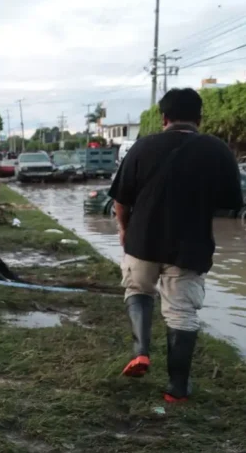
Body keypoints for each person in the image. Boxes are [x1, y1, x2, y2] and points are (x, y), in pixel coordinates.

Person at [109, 87, 243, 403]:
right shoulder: (218, 150)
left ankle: (141, 351)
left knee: (138, 289)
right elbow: (231, 205)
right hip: (191, 245)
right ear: (200, 118)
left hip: (141, 241)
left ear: (164, 117)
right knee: (182, 313)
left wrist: (124, 231)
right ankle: (177, 390)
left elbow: (121, 199)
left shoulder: (141, 148)